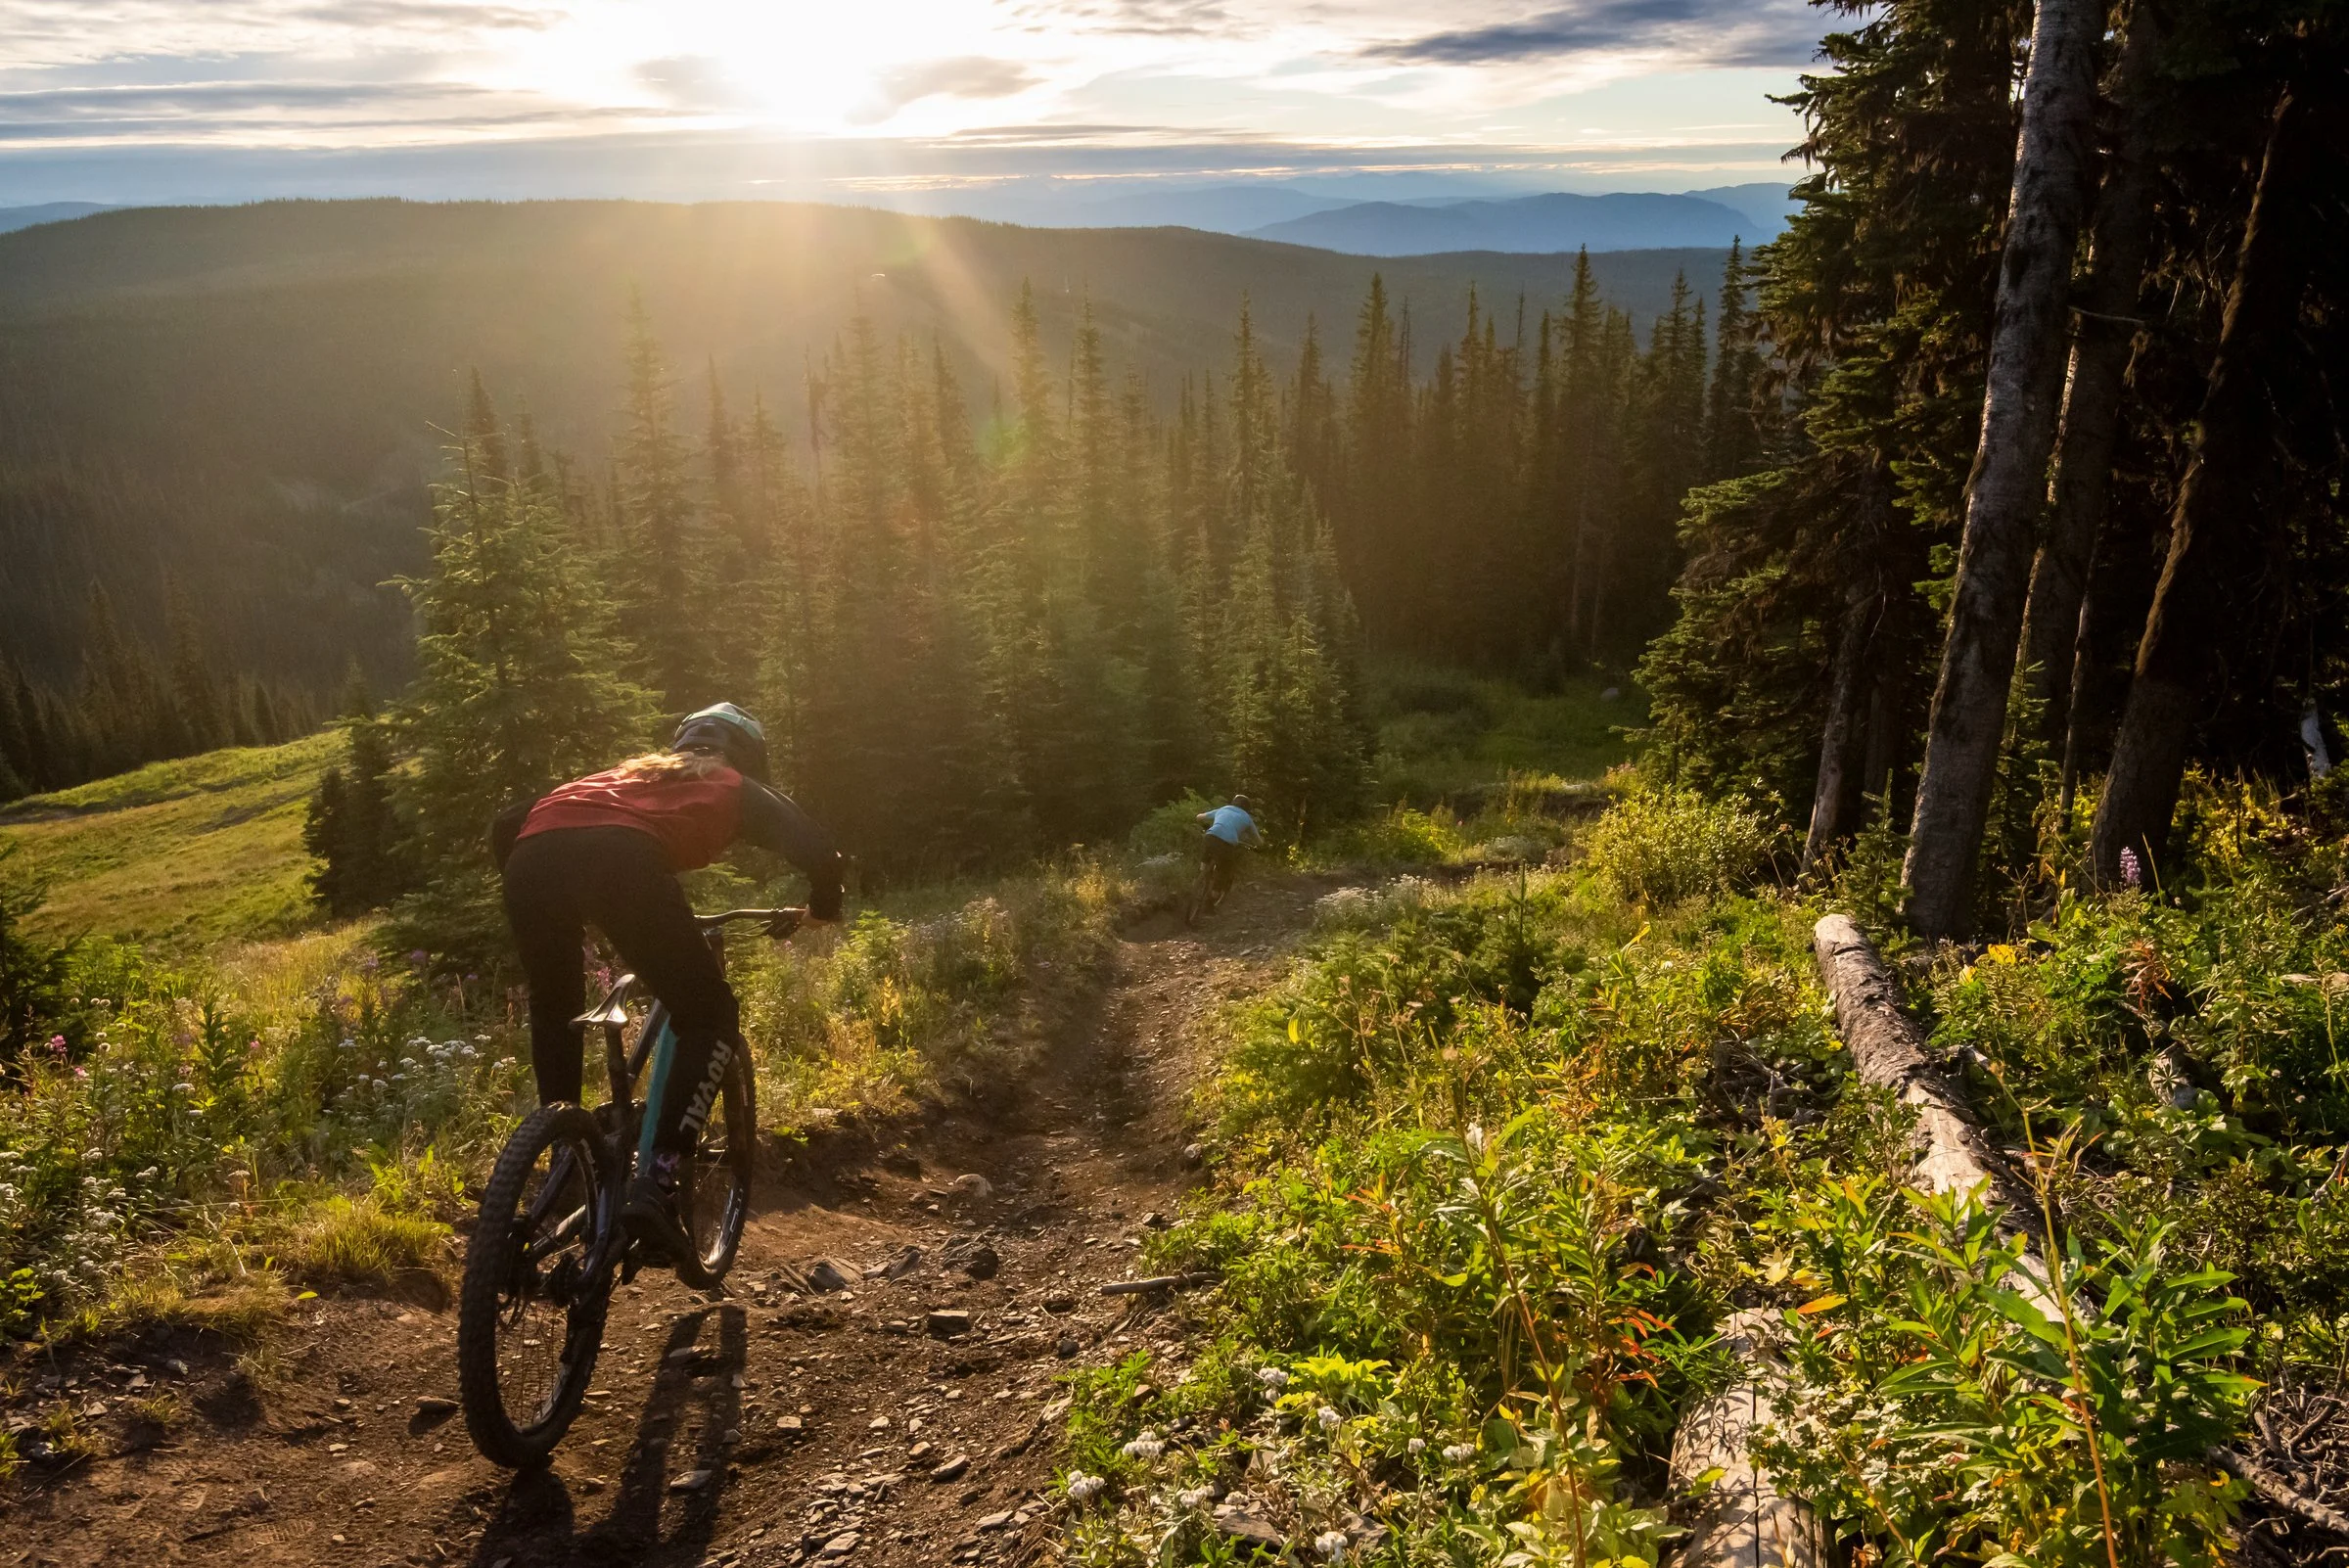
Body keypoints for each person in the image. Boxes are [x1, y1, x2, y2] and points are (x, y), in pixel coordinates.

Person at [499, 703, 844, 1263]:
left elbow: (508, 822)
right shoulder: (735, 783)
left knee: (555, 1004)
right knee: (709, 1013)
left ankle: (563, 1155)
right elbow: (819, 849)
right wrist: (822, 909)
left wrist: (550, 908)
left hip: (530, 857)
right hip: (622, 860)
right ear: (748, 757)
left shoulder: (627, 772)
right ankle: (658, 1183)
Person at [1194, 794, 1264, 904]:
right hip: (1227, 843)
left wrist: (1201, 821)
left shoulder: (1223, 809)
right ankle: (1210, 902)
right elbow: (1258, 840)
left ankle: (1199, 878)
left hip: (1210, 836)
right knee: (1224, 871)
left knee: (1206, 856)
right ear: (1247, 807)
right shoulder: (1247, 818)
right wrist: (1260, 847)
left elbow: (1199, 817)